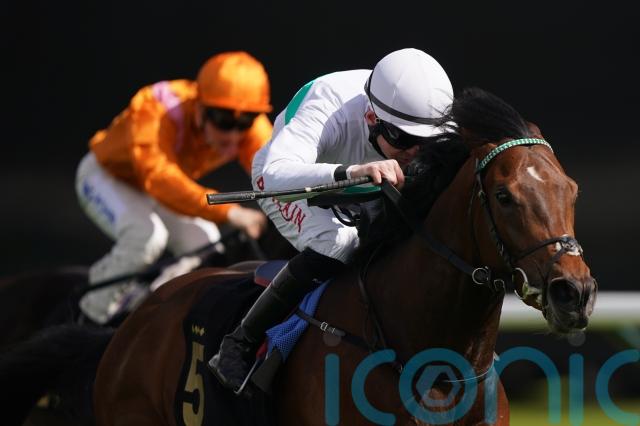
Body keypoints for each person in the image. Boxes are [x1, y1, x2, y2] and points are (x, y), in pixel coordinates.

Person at [208, 48, 454, 392]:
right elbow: (277, 173)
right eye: (403, 139)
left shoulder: (425, 112)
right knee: (339, 242)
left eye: (424, 143)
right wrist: (352, 172)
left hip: (365, 185)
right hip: (290, 185)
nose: (414, 152)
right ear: (371, 117)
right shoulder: (328, 105)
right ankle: (239, 344)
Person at [76, 51, 272, 325]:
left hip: (158, 190)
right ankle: (87, 320)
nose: (234, 135)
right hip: (106, 177)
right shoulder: (156, 108)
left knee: (205, 246)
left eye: (245, 122)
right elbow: (159, 179)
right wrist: (229, 211)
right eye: (223, 120)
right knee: (146, 238)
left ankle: (148, 318)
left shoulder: (247, 128)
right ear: (200, 108)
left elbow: (276, 174)